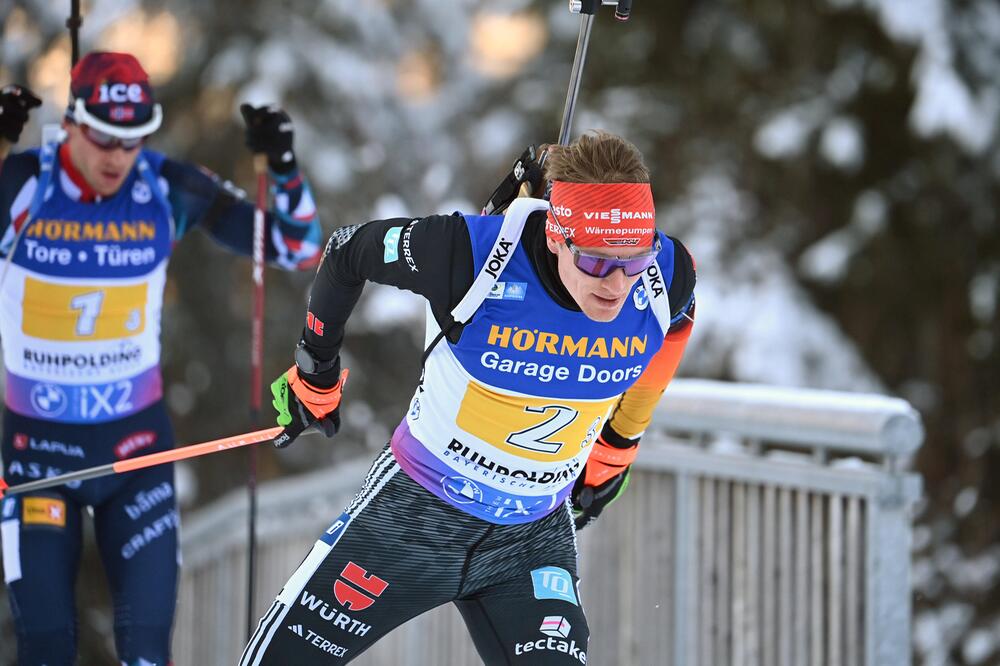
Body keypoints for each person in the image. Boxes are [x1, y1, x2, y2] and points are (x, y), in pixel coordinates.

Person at [241, 130, 696, 664]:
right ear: (555, 235)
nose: (617, 285)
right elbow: (347, 252)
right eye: (596, 262)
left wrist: (619, 444)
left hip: (530, 540)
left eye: (634, 261)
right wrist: (315, 370)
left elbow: (673, 331)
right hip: (414, 517)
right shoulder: (472, 254)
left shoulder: (668, 275)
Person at [0, 52, 323, 665]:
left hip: (138, 454)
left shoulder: (163, 186)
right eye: (102, 136)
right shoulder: (23, 183)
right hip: (38, 459)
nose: (116, 157)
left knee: (147, 652)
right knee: (44, 649)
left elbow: (297, 246)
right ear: (70, 121)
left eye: (132, 138)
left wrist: (281, 165)